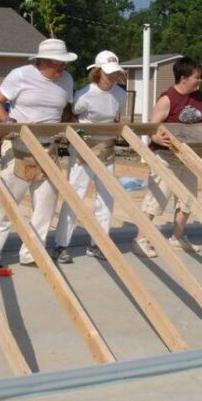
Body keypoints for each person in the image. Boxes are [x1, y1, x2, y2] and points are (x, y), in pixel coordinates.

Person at [0, 39, 76, 271]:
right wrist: (7, 122)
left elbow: (66, 107)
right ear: (45, 61)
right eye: (59, 63)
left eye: (64, 63)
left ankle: (32, 252)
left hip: (48, 148)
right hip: (20, 148)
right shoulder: (21, 75)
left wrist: (64, 125)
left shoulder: (67, 80)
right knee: (6, 203)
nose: (62, 68)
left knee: (45, 206)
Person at [55, 51, 128, 261]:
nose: (113, 77)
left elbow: (115, 119)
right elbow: (74, 117)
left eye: (115, 74)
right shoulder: (85, 94)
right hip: (83, 147)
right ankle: (61, 244)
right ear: (98, 73)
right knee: (76, 194)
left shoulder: (120, 94)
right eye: (109, 74)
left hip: (105, 148)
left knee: (106, 197)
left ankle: (99, 243)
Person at [134, 56, 202, 257]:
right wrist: (157, 136)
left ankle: (177, 237)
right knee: (157, 198)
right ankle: (140, 239)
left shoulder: (198, 97)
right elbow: (151, 127)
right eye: (196, 77)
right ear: (184, 78)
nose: (199, 81)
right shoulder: (167, 98)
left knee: (188, 199)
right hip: (166, 156)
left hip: (188, 155)